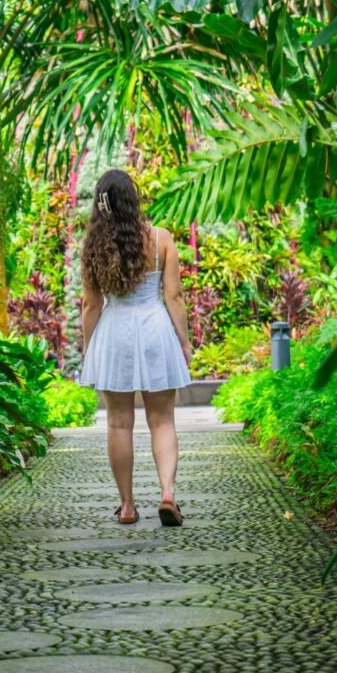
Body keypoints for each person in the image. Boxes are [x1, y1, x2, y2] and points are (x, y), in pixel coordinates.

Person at [80, 169, 192, 527]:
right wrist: (185, 341)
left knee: (118, 423)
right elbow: (173, 297)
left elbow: (91, 305)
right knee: (162, 420)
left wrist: (88, 349)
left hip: (115, 334)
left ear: (102, 205)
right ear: (134, 199)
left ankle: (127, 505)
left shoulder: (95, 247)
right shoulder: (161, 239)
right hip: (155, 328)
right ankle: (167, 494)